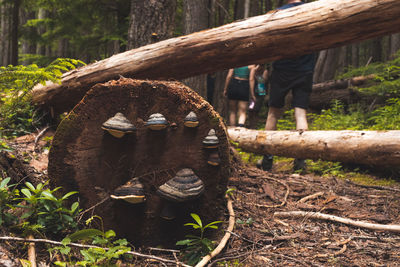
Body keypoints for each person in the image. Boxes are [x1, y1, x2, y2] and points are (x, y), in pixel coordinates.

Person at [259, 0, 316, 171]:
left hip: (282, 70)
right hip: (305, 69)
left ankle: (268, 159)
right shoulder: (312, 11)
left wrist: (262, 63)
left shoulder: (278, 13)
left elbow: (269, 43)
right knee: (300, 113)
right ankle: (300, 160)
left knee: (273, 113)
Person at [248, 64, 268, 129]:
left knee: (256, 110)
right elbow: (251, 79)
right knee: (251, 110)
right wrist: (252, 94)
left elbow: (263, 81)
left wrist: (258, 75)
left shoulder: (265, 71)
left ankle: (254, 126)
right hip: (252, 93)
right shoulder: (253, 70)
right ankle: (250, 125)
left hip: (260, 93)